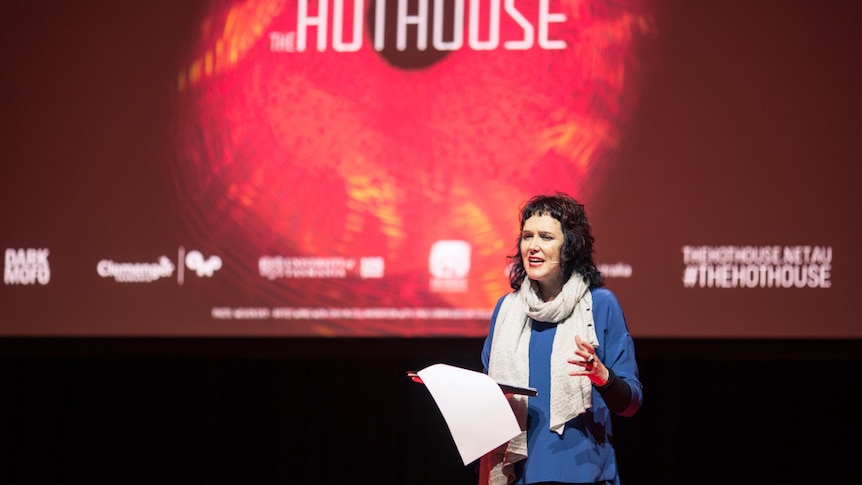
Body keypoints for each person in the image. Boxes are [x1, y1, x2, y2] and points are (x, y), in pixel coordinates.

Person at [479, 192, 643, 485]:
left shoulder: (600, 305)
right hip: (518, 476)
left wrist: (603, 377)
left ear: (569, 247)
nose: (533, 246)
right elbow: (489, 397)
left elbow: (631, 403)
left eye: (546, 237)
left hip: (585, 475)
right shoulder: (506, 310)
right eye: (527, 236)